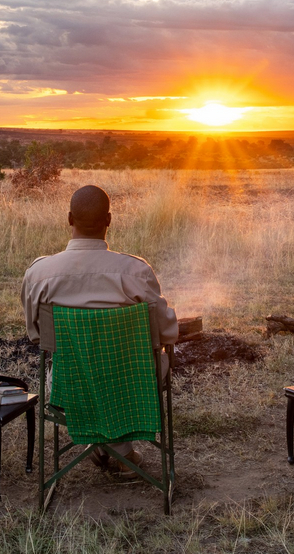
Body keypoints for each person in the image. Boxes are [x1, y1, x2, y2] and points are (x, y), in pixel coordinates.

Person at [22, 184, 178, 471]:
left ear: (69, 219)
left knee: (80, 370)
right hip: (133, 384)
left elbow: (36, 335)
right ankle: (117, 449)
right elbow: (167, 334)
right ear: (109, 220)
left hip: (68, 386)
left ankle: (104, 445)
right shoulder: (136, 272)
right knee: (156, 360)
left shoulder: (39, 274)